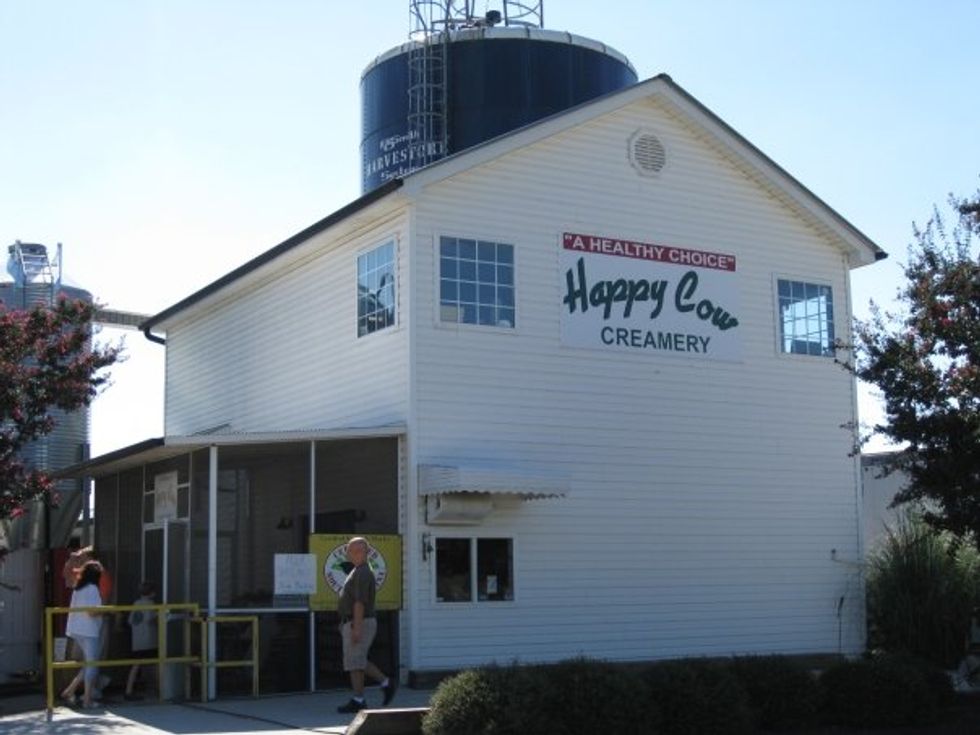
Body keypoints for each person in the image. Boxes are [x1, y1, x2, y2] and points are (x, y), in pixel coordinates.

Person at [336, 536, 396, 714]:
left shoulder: (362, 572)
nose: (354, 553)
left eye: (358, 550)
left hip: (360, 621)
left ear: (366, 552)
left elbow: (359, 602)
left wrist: (357, 627)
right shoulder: (357, 571)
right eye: (351, 550)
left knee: (355, 661)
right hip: (354, 621)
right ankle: (361, 697)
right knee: (356, 661)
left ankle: (382, 685)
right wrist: (345, 622)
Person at [60, 560, 104, 709]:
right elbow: (92, 612)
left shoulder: (78, 588)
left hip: (76, 628)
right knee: (92, 664)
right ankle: (87, 700)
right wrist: (106, 611)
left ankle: (69, 691)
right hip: (89, 630)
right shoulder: (92, 589)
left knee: (89, 663)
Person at [124, 581, 158, 701]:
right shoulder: (151, 604)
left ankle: (128, 690)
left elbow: (130, 621)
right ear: (152, 593)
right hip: (149, 640)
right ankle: (159, 688)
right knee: (156, 664)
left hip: (137, 641)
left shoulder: (136, 603)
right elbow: (151, 619)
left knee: (136, 666)